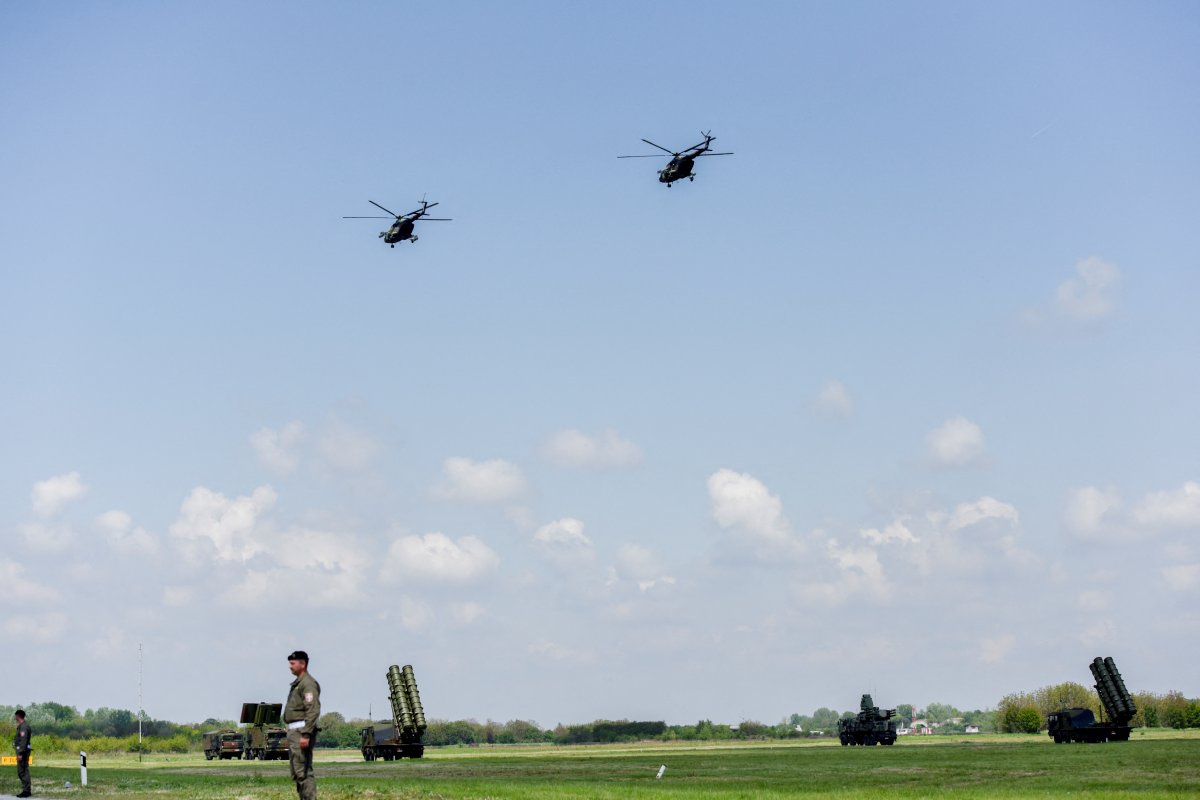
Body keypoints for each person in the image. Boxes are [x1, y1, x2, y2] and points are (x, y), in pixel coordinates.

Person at [283, 650, 321, 800]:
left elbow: (313, 710)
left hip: (301, 731)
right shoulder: (298, 684)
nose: (290, 666)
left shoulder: (307, 684)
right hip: (295, 732)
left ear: (302, 664)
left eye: (292, 663)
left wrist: (306, 734)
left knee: (303, 772)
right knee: (297, 772)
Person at [12, 709, 31, 798]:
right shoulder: (22, 726)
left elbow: (23, 741)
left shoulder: (23, 727)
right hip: (22, 752)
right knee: (23, 771)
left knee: (22, 771)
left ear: (18, 716)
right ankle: (26, 790)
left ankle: (26, 791)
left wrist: (20, 753)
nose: (15, 718)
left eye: (15, 716)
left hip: (22, 753)